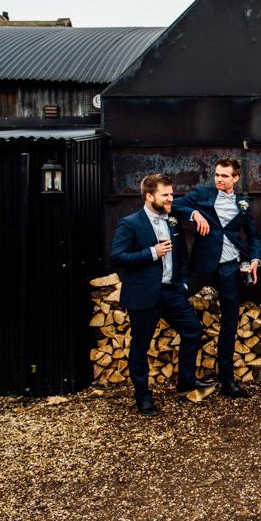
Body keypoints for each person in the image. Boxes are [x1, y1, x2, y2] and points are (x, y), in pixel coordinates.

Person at [173, 157, 261, 399]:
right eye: (217, 175)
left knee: (230, 324)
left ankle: (227, 382)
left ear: (236, 178)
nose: (219, 179)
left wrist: (255, 259)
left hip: (234, 265)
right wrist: (193, 214)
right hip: (207, 266)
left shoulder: (243, 203)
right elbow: (171, 205)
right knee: (191, 326)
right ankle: (187, 380)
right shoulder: (202, 194)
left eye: (224, 176)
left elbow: (253, 236)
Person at [110, 174, 212, 416]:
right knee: (140, 346)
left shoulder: (173, 219)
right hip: (144, 294)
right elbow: (117, 256)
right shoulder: (130, 223)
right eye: (165, 195)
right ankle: (143, 397)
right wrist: (151, 252)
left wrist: (184, 284)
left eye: (171, 194)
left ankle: (185, 382)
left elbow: (183, 257)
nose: (170, 199)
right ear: (149, 196)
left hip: (171, 291)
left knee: (193, 331)